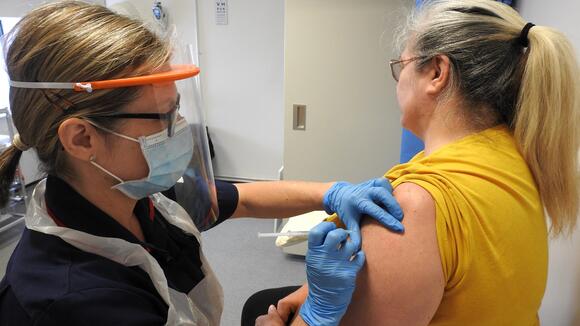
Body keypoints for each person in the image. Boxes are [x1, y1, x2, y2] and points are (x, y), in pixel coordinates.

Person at [0, 2, 404, 325]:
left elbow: (243, 199)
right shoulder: (77, 300)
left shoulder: (129, 195)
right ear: (82, 138)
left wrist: (332, 192)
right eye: (162, 116)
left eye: (178, 110)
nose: (179, 128)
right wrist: (313, 318)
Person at [256, 0, 579, 325]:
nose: (398, 80)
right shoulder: (515, 155)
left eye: (402, 65)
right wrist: (308, 292)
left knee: (259, 310)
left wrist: (311, 314)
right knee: (265, 300)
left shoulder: (414, 209)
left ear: (437, 72)